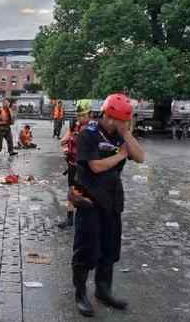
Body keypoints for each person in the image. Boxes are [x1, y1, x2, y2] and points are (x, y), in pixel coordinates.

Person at [70, 94, 145, 317]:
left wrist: (127, 134)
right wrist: (120, 154)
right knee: (87, 250)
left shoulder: (121, 135)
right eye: (123, 121)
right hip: (89, 200)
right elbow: (95, 166)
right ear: (109, 116)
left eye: (127, 122)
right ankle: (81, 293)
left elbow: (140, 157)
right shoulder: (88, 134)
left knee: (109, 249)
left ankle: (103, 290)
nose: (125, 125)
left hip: (112, 201)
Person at [58, 99, 92, 229]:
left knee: (86, 193)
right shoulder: (74, 125)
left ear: (90, 114)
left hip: (86, 167)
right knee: (71, 191)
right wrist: (67, 140)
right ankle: (69, 219)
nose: (80, 118)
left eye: (83, 115)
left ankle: (86, 219)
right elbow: (64, 140)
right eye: (79, 115)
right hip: (72, 164)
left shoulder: (93, 129)